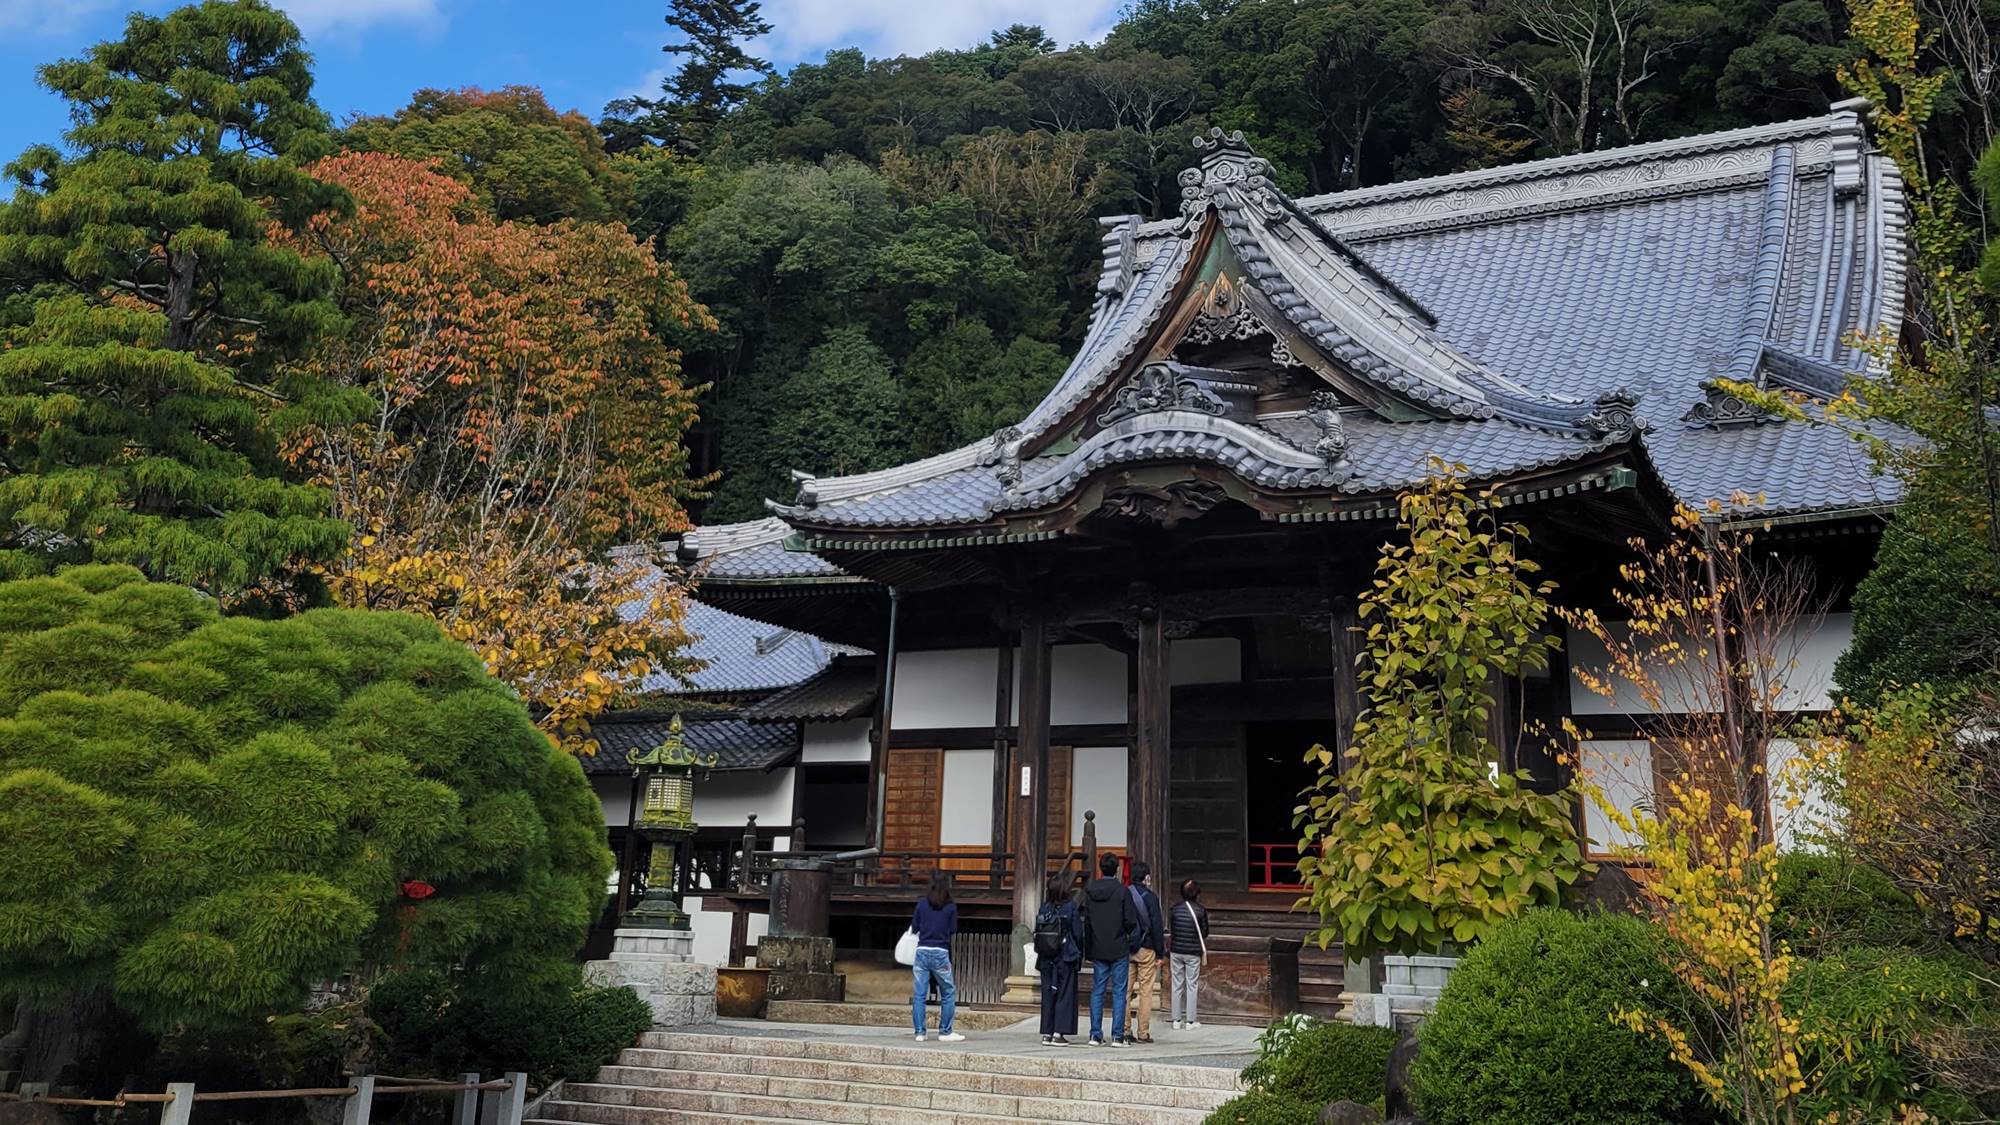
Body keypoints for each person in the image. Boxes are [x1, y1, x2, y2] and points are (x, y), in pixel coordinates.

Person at [1080, 852, 1138, 1047]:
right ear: (1117, 869)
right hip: (1118, 946)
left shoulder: (1091, 890)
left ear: (1100, 868)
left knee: (1098, 990)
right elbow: (1130, 920)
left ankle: (1095, 1034)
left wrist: (1088, 947)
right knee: (1120, 991)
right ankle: (1117, 1035)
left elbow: (1087, 920)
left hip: (1097, 945)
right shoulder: (1123, 892)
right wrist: (1127, 934)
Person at [910, 869, 963, 1042]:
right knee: (948, 992)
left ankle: (920, 1032)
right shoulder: (950, 907)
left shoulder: (922, 904)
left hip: (922, 950)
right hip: (940, 951)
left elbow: (915, 927)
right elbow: (953, 929)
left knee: (919, 994)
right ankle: (945, 1031)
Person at [1034, 871, 1084, 1045]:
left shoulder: (1044, 907)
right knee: (1065, 993)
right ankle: (1058, 1032)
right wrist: (1080, 952)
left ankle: (1047, 1032)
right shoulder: (1070, 907)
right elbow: (1078, 933)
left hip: (1046, 955)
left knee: (1048, 993)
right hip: (1065, 954)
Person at [1125, 861, 1166, 1044]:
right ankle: (1143, 1032)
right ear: (1146, 877)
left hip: (1126, 948)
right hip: (1146, 947)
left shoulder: (1124, 894)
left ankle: (1125, 1029)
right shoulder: (1150, 898)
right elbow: (1157, 926)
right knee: (1146, 991)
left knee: (1124, 991)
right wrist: (1160, 952)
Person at [1169, 878, 1210, 1030]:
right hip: (1192, 951)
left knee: (1176, 984)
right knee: (1191, 985)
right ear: (1196, 894)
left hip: (1176, 950)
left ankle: (1176, 1020)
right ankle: (1191, 1021)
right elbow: (1205, 933)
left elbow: (1173, 929)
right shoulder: (1200, 910)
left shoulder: (1174, 909)